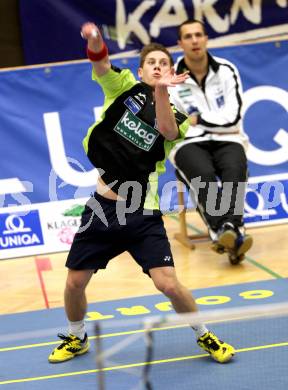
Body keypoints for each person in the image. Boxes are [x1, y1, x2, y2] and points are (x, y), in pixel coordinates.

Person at [48, 22, 235, 364]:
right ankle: (77, 336)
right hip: (103, 209)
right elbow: (101, 63)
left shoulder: (177, 116)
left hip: (141, 212)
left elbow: (165, 130)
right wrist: (94, 39)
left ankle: (203, 333)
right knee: (75, 283)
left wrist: (161, 91)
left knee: (168, 284)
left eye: (164, 63)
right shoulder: (122, 87)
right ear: (141, 70)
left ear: (170, 71)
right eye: (153, 63)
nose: (159, 67)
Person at [168, 19, 253, 264]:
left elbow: (233, 116)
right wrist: (192, 122)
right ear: (180, 43)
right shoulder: (173, 77)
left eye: (198, 35)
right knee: (202, 173)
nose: (194, 40)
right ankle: (233, 232)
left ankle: (225, 232)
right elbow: (179, 124)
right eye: (188, 36)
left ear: (206, 38)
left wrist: (199, 118)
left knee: (234, 169)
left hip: (229, 138)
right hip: (187, 143)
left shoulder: (227, 70)